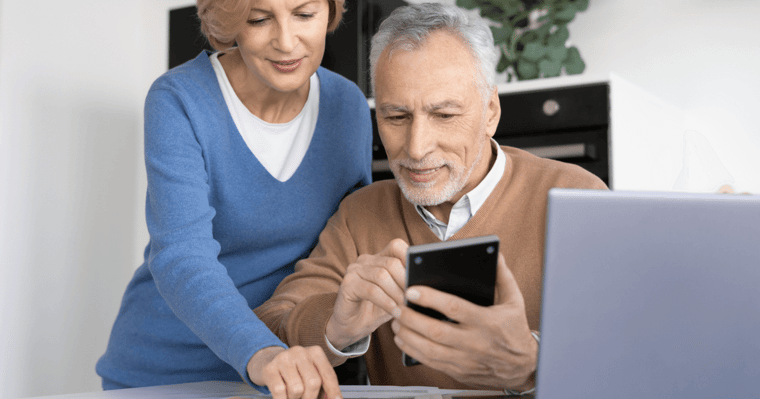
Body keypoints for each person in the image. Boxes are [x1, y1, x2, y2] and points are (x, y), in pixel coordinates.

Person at [253, 2, 608, 395]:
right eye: (396, 117)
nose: (416, 148)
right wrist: (337, 325)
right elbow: (269, 326)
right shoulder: (361, 214)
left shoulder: (578, 199)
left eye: (444, 115)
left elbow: (630, 350)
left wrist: (532, 361)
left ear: (490, 112)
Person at [96, 0, 370, 397]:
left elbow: (347, 246)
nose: (287, 41)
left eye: (305, 14)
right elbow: (181, 254)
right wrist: (261, 351)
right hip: (169, 371)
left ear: (329, 11)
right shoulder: (180, 98)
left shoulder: (347, 107)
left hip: (289, 375)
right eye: (259, 20)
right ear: (230, 22)